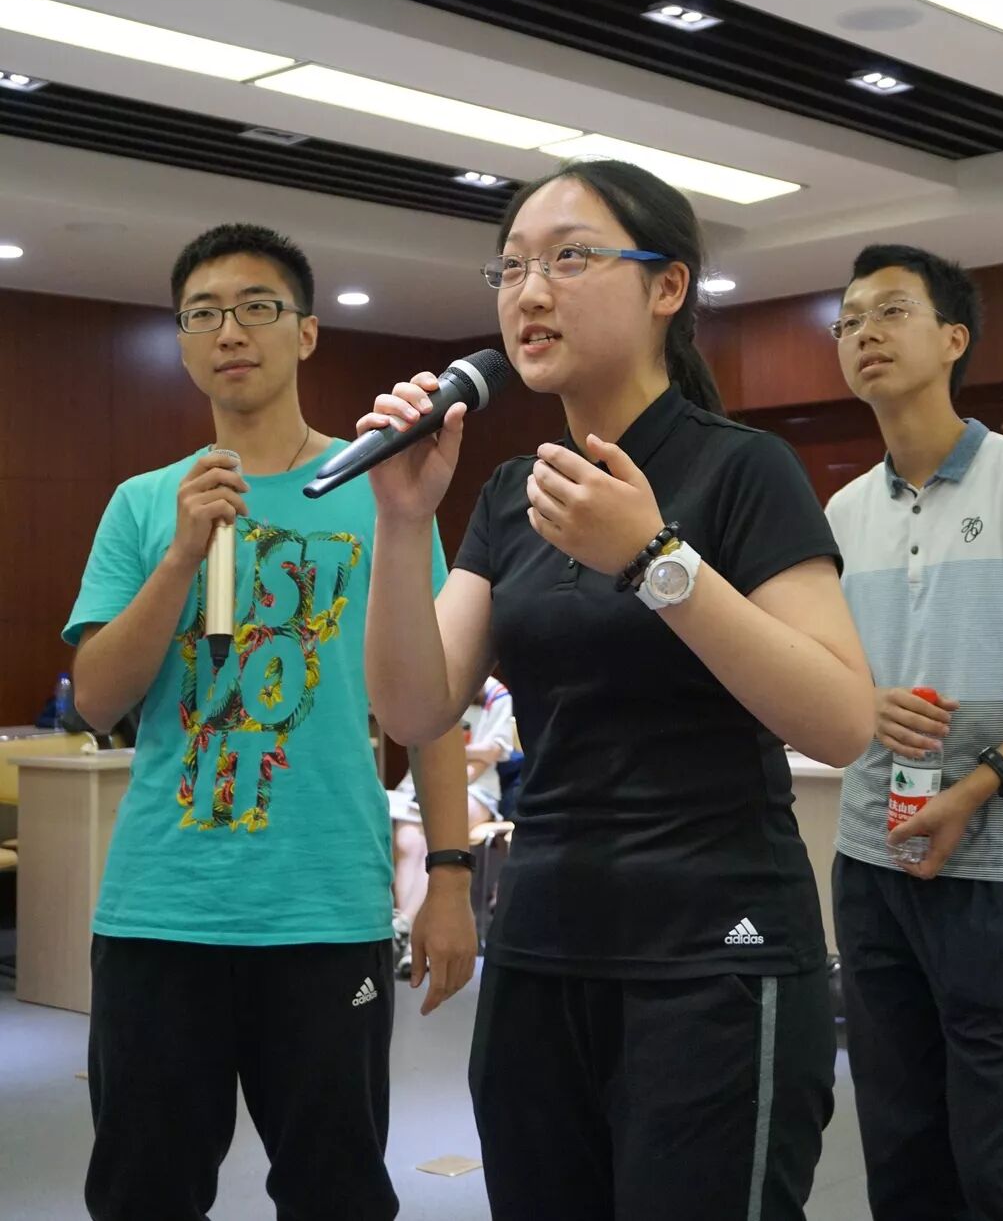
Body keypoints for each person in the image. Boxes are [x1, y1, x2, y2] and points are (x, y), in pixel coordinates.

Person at [360, 159, 874, 1221]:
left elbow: (840, 720)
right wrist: (402, 521)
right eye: (511, 267)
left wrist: (655, 560)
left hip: (715, 953)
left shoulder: (744, 470)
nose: (529, 292)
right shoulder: (515, 492)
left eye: (570, 259)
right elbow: (414, 711)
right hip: (542, 947)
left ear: (667, 287)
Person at [65, 223, 477, 1221]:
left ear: (306, 333)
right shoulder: (145, 503)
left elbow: (430, 708)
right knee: (143, 1193)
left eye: (257, 307)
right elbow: (98, 698)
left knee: (337, 1192)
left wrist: (451, 878)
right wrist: (179, 555)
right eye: (202, 314)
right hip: (162, 912)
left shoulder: (383, 493)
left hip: (325, 908)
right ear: (181, 342)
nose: (229, 331)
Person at [826, 244, 1003, 1221]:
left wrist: (980, 783)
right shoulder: (844, 511)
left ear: (954, 339)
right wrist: (865, 699)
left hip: (996, 864)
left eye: (891, 311)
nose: (865, 333)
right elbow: (831, 676)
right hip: (871, 856)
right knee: (899, 1144)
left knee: (1001, 1158)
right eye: (850, 320)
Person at [389, 676, 513, 976]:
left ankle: (403, 925)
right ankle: (409, 945)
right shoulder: (427, 683)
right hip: (418, 786)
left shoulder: (496, 694)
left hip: (475, 790)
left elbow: (491, 754)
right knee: (408, 841)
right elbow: (412, 741)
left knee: (437, 834)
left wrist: (442, 750)